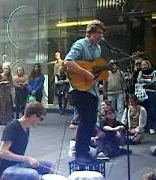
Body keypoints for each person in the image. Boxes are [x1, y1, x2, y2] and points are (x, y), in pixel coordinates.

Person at [64, 19, 105, 163]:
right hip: (78, 88)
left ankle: (85, 150)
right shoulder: (80, 44)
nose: (101, 36)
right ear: (90, 33)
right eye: (98, 32)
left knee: (91, 120)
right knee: (85, 120)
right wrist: (86, 73)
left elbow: (94, 68)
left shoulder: (98, 49)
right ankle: (80, 153)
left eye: (102, 33)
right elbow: (68, 61)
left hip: (92, 90)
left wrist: (101, 71)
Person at [0, 102, 53, 179]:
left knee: (49, 166)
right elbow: (2, 153)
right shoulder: (12, 127)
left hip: (19, 164)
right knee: (33, 174)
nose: (40, 122)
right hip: (5, 170)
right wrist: (27, 159)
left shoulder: (26, 128)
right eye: (41, 119)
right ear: (34, 116)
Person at [137, 59, 156, 134]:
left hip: (152, 93)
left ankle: (152, 127)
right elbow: (138, 80)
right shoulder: (140, 72)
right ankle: (145, 127)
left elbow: (154, 81)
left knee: (152, 110)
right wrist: (149, 81)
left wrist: (145, 82)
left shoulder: (154, 72)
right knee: (144, 110)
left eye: (145, 64)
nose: (144, 66)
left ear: (148, 65)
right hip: (143, 93)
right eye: (142, 65)